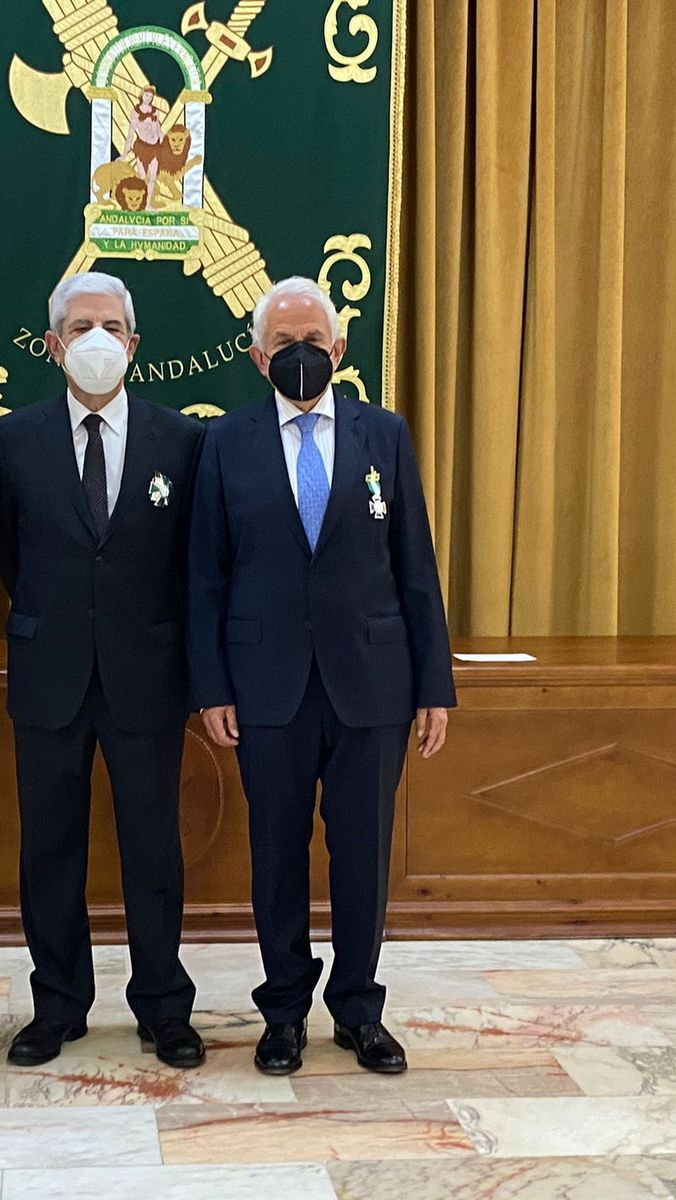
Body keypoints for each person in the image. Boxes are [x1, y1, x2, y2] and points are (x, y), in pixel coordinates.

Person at [188, 276, 454, 1076]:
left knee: (363, 856)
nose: (299, 354)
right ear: (256, 355)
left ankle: (359, 1011)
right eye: (283, 343)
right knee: (276, 855)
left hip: (372, 684)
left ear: (338, 349)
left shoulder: (385, 435)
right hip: (265, 686)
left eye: (312, 341)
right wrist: (212, 686)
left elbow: (415, 566)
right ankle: (283, 1014)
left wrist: (434, 686)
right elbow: (205, 576)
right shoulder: (224, 442)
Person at [0, 272, 205, 1069]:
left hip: (148, 673)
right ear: (53, 345)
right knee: (49, 848)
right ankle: (57, 1005)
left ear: (134, 344)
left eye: (111, 326)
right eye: (80, 327)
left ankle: (163, 1007)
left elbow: (192, 562)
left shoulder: (182, 441)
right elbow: (6, 550)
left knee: (154, 849)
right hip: (50, 673)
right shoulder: (12, 440)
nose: (97, 340)